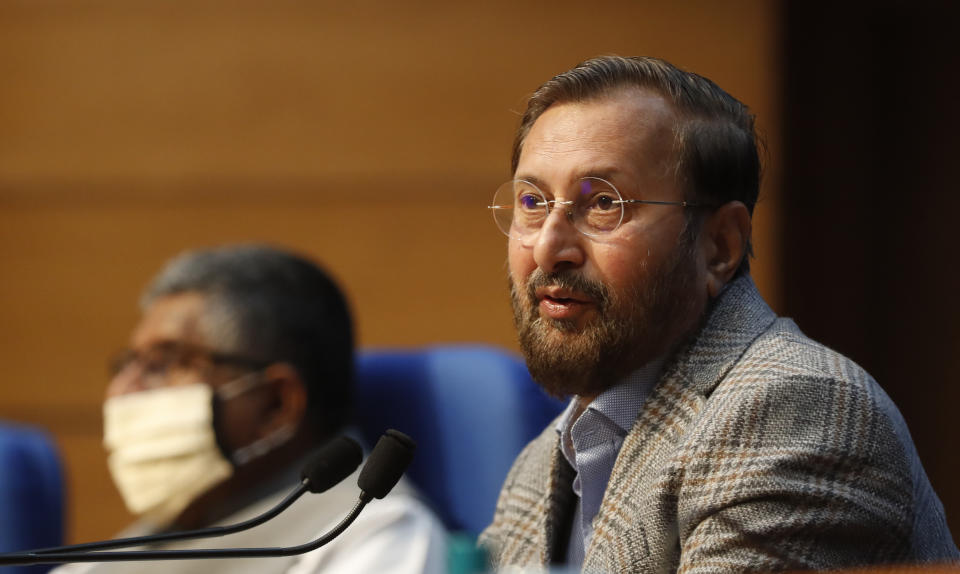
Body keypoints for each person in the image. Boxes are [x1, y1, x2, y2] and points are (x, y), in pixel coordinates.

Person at [479, 56, 958, 572]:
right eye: (532, 201)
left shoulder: (793, 411)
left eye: (602, 203)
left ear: (719, 246)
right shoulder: (538, 470)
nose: (549, 248)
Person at [55, 244, 447, 574]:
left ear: (276, 405)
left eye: (161, 365)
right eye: (127, 365)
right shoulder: (101, 561)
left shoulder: (377, 538)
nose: (121, 391)